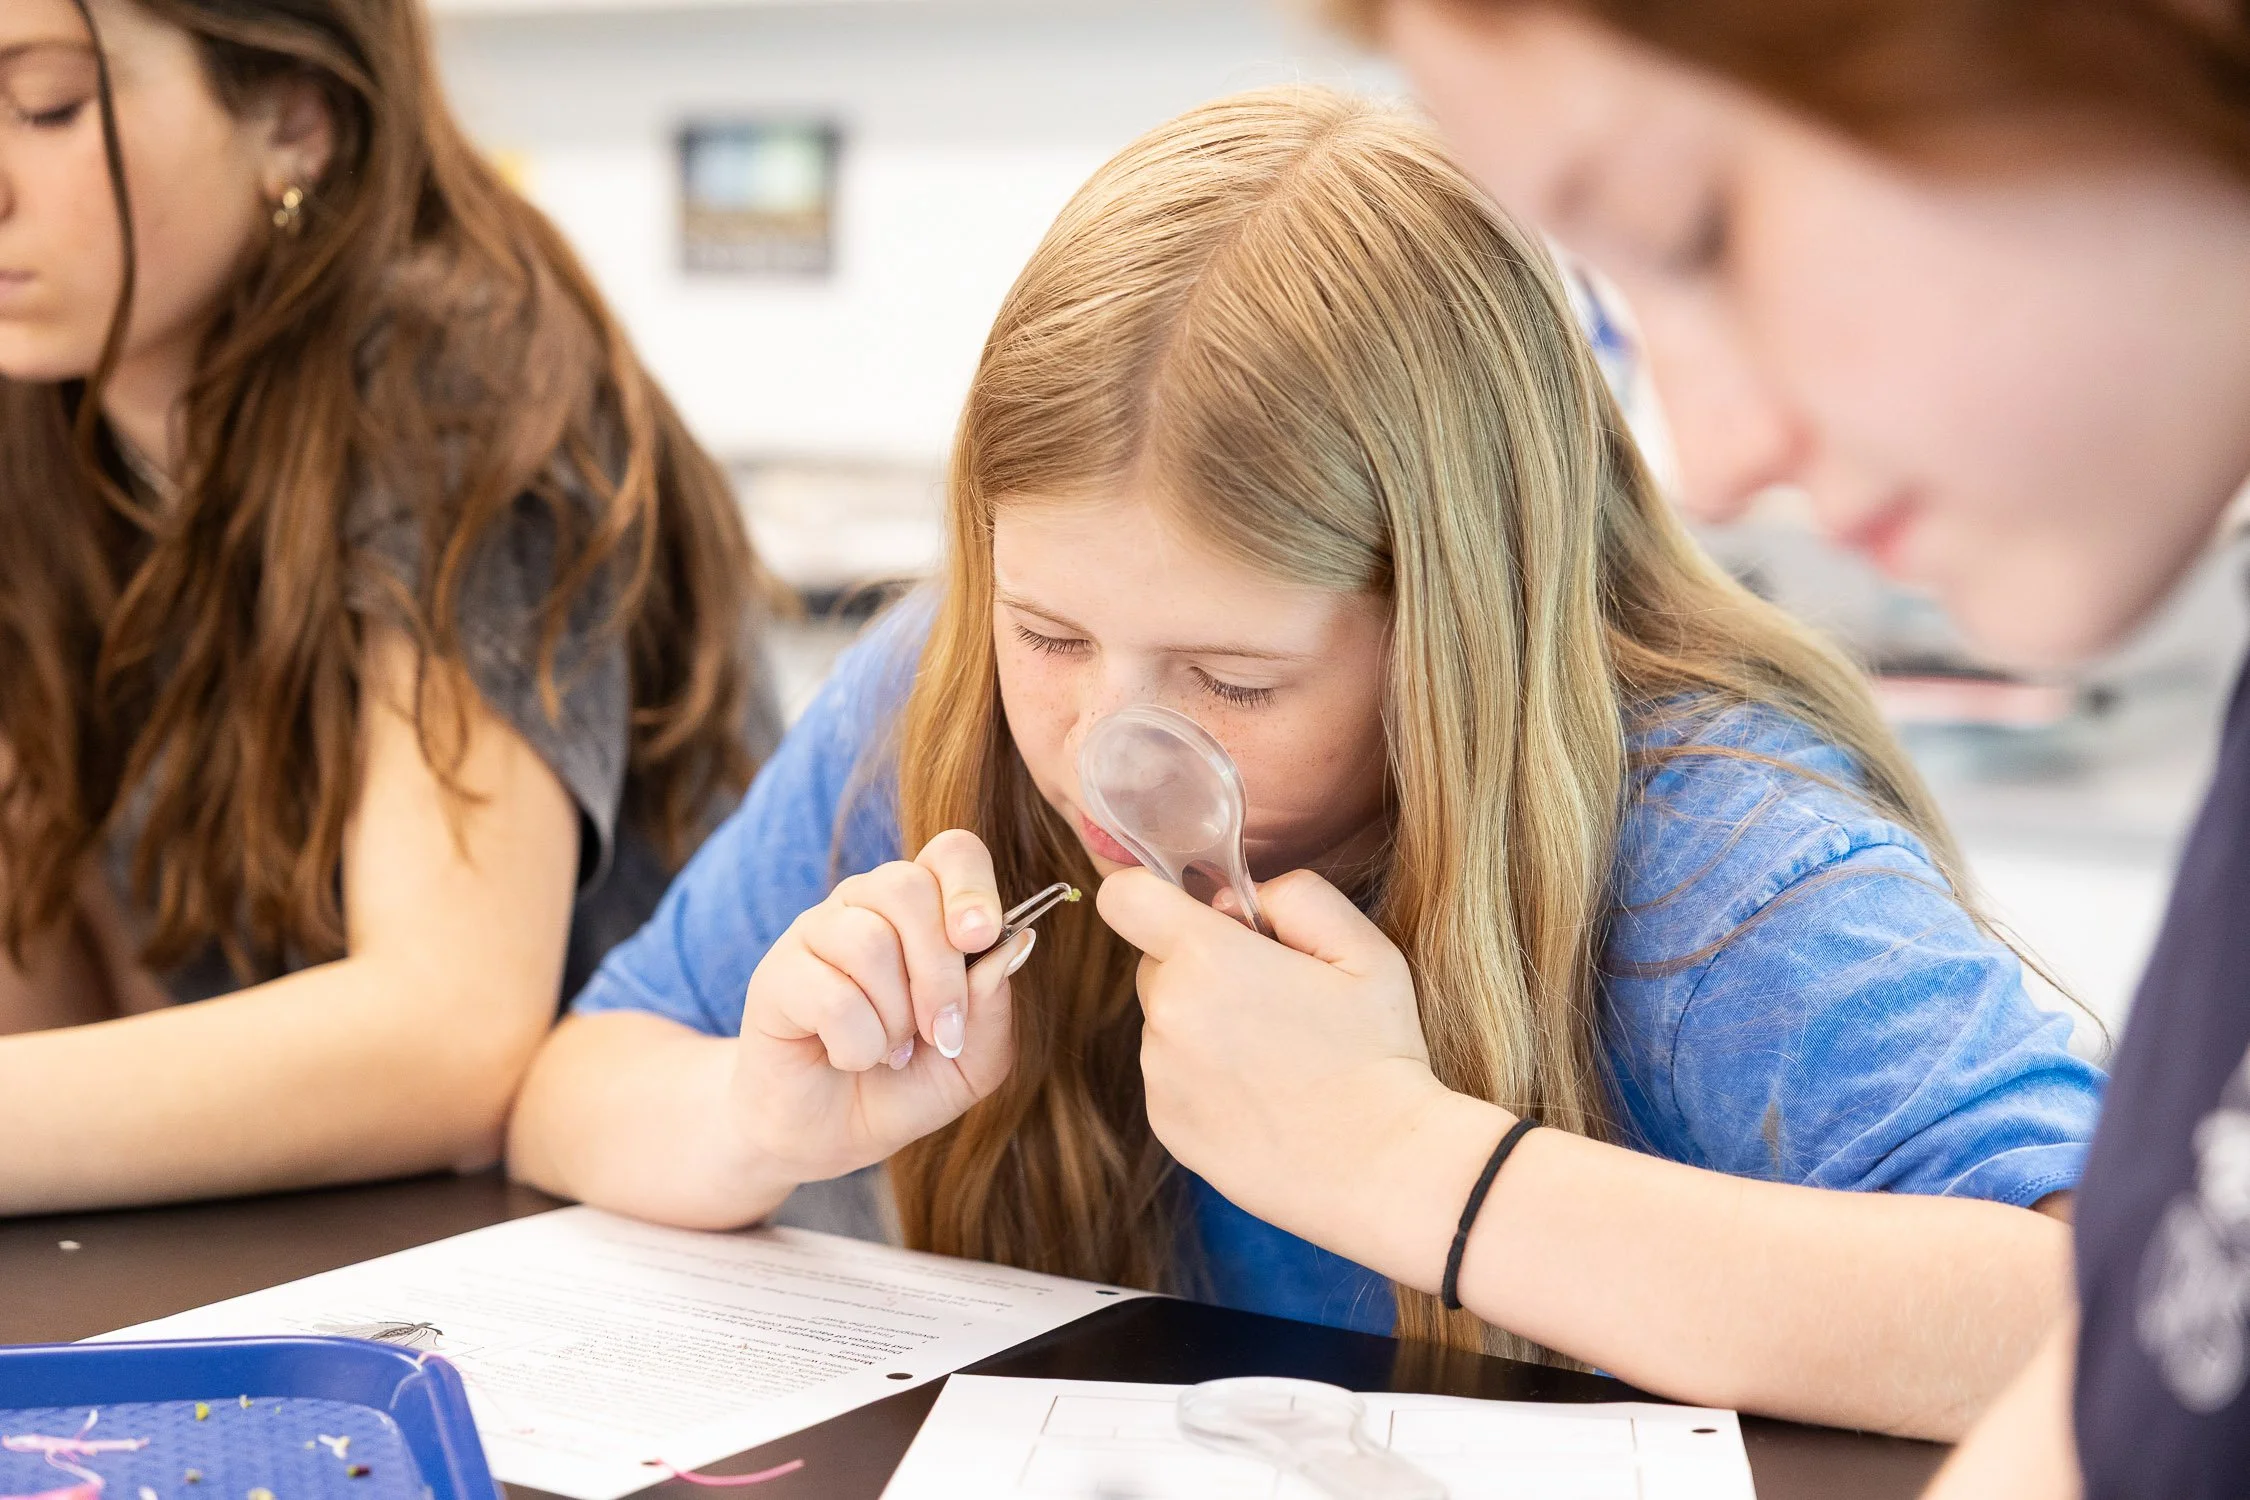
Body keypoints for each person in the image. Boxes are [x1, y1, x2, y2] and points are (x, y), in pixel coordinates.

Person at [507, 86, 2102, 1442]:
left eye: (1233, 678)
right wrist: (756, 1116)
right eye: (1050, 634)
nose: (1103, 749)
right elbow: (572, 1091)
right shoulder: (926, 707)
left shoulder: (1700, 847)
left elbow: (2093, 1316)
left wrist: (1416, 1167)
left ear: (1460, 633)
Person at [1327, 1, 2250, 1493]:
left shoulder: (1717, 842)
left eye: (1693, 230)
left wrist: (1389, 1158)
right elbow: (2126, 1377)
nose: (1715, 454)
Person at [0, 0, 775, 1213]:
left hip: (654, 1261)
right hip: (310, 1238)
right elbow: (65, 1004)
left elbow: (449, 1038)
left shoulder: (458, 388)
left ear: (296, 122)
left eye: (46, 103)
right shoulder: (45, 423)